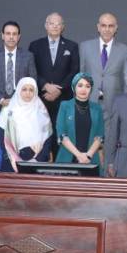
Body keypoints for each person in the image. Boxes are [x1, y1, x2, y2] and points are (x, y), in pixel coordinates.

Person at [28, 13, 80, 156]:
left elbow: (74, 71)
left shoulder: (72, 46)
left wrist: (59, 90)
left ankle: (60, 165)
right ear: (46, 26)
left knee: (61, 135)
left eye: (59, 24)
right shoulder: (35, 45)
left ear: (63, 27)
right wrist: (45, 86)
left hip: (63, 99)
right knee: (40, 135)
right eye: (52, 23)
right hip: (41, 99)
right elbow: (31, 70)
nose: (55, 26)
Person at [79, 12, 127, 122]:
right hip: (89, 99)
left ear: (116, 28)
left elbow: (126, 80)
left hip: (113, 102)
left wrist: (125, 103)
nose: (107, 29)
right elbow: (80, 74)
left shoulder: (125, 50)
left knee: (110, 132)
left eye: (110, 26)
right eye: (103, 25)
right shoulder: (85, 47)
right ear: (98, 27)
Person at [0, 77, 52, 167]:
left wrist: (38, 160)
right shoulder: (8, 110)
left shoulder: (41, 111)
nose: (28, 93)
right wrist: (13, 158)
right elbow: (1, 137)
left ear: (35, 92)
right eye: (24, 89)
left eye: (31, 90)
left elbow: (48, 139)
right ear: (19, 90)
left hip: (37, 161)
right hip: (11, 161)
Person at [55, 73, 105, 171]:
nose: (83, 89)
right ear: (74, 87)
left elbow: (100, 136)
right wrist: (79, 155)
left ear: (91, 89)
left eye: (87, 86)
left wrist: (88, 156)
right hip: (67, 159)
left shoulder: (97, 108)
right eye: (80, 85)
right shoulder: (64, 106)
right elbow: (61, 134)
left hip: (90, 160)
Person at [0, 21, 36, 108]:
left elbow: (32, 81)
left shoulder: (28, 56)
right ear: (2, 35)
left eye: (14, 34)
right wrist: (1, 100)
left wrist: (19, 99)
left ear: (19, 37)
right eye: (8, 33)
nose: (11, 37)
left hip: (21, 105)